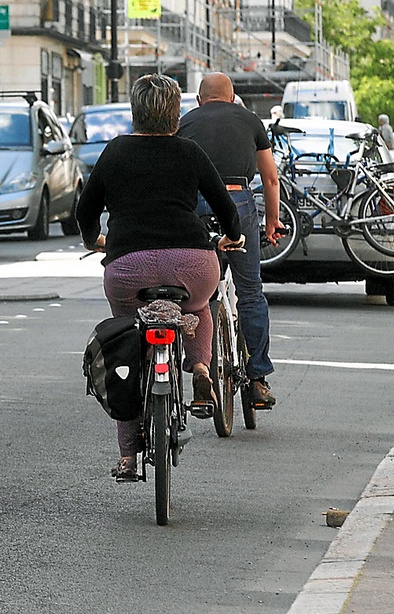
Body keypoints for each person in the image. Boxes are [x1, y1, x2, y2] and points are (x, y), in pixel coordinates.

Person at [75, 74, 243, 482]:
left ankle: (129, 457)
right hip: (192, 263)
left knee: (130, 338)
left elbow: (84, 210)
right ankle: (201, 368)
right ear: (176, 113)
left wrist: (96, 240)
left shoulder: (114, 153)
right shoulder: (190, 151)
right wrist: (231, 237)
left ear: (135, 111)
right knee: (200, 306)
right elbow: (226, 206)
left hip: (128, 267)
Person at [177, 72, 284, 407]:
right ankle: (257, 380)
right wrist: (272, 221)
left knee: (199, 293)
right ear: (232, 97)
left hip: (196, 203)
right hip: (238, 199)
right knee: (250, 291)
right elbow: (269, 178)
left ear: (200, 100)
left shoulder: (185, 122)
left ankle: (202, 368)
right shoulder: (250, 120)